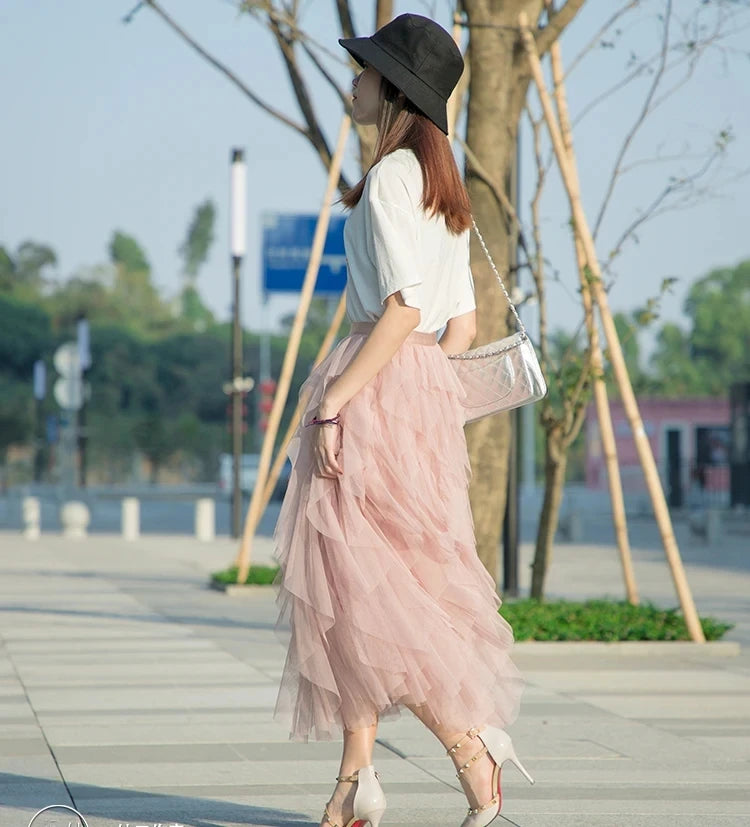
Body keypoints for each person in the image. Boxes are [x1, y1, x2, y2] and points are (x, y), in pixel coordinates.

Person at [270, 13, 533, 827]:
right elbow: (457, 321)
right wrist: (419, 402)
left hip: (373, 387)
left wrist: (341, 400)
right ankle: (358, 781)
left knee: (368, 595)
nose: (352, 81)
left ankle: (466, 749)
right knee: (368, 591)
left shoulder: (388, 181)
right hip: (419, 397)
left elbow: (402, 307)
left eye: (364, 72)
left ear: (393, 92)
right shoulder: (441, 188)